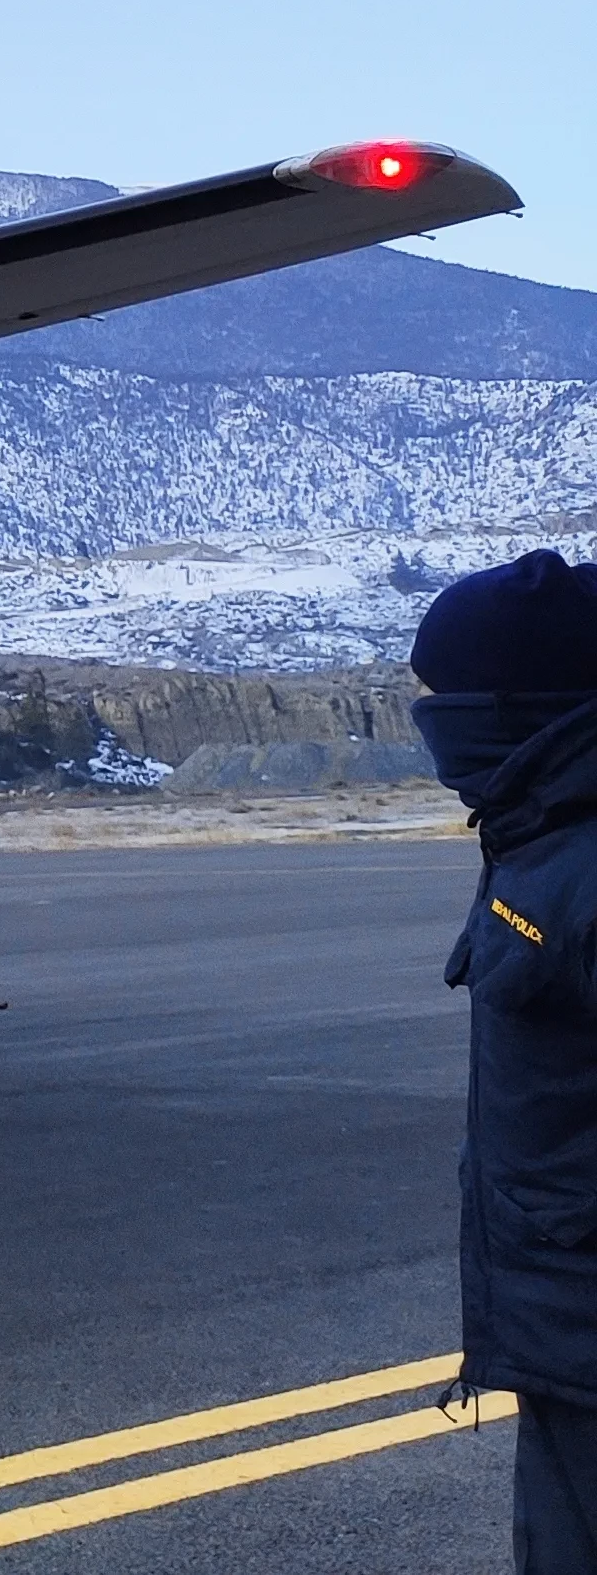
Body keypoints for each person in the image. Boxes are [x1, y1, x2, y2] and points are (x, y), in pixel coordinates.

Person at [414, 550, 597, 1573]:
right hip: (561, 1329)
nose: (436, 725)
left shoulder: (580, 862)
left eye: (452, 699)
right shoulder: (542, 839)